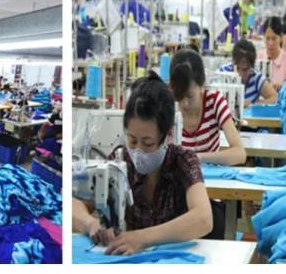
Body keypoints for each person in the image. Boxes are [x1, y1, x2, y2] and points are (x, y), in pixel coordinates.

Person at [73, 72, 213, 254]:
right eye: (132, 140)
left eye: (147, 143)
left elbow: (203, 218)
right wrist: (91, 224)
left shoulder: (184, 161)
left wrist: (142, 238)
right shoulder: (120, 161)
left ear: (169, 135)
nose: (138, 151)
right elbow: (74, 204)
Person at [171, 49, 245, 169]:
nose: (184, 104)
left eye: (190, 96)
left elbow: (239, 154)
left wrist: (199, 158)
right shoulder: (168, 105)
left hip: (210, 178)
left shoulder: (214, 101)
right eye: (179, 95)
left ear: (202, 85)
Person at [219, 39, 278, 108]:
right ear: (233, 62)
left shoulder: (256, 78)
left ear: (251, 66)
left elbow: (275, 98)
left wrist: (253, 105)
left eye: (245, 69)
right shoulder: (223, 73)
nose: (240, 74)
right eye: (237, 68)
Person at [257, 17, 286, 92]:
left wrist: (283, 86)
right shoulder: (258, 57)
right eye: (267, 38)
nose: (271, 43)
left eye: (274, 38)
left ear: (280, 37)